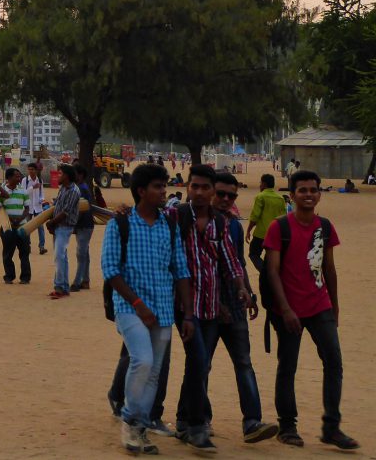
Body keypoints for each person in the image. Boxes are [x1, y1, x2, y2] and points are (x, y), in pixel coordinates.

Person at [263, 170, 359, 450]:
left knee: (334, 363)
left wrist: (335, 306)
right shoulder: (279, 227)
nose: (308, 195)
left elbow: (329, 268)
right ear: (291, 195)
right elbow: (273, 271)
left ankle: (332, 427)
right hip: (288, 310)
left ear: (319, 194)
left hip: (320, 306)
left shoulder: (325, 227)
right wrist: (285, 309)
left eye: (313, 190)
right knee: (288, 366)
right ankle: (287, 426)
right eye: (302, 190)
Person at [101, 163, 194, 454]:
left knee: (154, 371)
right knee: (141, 359)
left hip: (164, 308)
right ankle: (129, 420)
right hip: (130, 307)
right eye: (157, 186)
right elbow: (110, 270)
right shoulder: (121, 223)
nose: (163, 191)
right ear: (141, 191)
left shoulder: (169, 223)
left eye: (164, 186)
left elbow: (180, 269)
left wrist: (188, 314)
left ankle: (140, 427)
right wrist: (138, 305)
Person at [170, 165, 250, 451]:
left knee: (198, 364)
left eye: (206, 188)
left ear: (213, 191)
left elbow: (230, 260)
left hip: (212, 306)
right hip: (184, 307)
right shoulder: (175, 217)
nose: (200, 192)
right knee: (199, 360)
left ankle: (184, 421)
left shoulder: (220, 224)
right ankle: (196, 426)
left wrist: (241, 287)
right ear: (188, 187)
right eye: (195, 187)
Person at [208, 172, 279, 443]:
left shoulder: (234, 226)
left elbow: (238, 262)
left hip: (234, 303)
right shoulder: (193, 222)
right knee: (202, 365)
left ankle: (252, 422)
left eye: (231, 196)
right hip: (206, 306)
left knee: (244, 363)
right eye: (221, 193)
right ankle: (197, 419)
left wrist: (249, 291)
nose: (226, 200)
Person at [46, 164, 81, 299]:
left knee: (59, 256)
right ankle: (64, 287)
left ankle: (59, 287)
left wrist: (51, 222)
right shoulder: (63, 188)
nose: (58, 176)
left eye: (60, 174)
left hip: (64, 226)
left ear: (66, 175)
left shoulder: (73, 191)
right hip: (58, 226)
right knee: (62, 257)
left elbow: (65, 212)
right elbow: (58, 207)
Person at [247, 173, 286, 273]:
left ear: (264, 184)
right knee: (271, 258)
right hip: (276, 235)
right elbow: (284, 218)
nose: (260, 185)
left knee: (254, 254)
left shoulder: (260, 196)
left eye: (260, 183)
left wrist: (248, 230)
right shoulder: (280, 198)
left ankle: (265, 273)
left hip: (261, 234)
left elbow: (255, 216)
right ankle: (271, 273)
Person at [0, 168, 32, 284]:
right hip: (8, 228)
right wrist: (9, 219)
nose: (19, 178)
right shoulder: (1, 193)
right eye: (16, 176)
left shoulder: (23, 191)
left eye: (19, 176)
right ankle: (9, 276)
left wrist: (20, 219)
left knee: (25, 253)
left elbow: (27, 208)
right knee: (8, 254)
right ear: (9, 178)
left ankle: (25, 277)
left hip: (22, 227)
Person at [71, 164, 95, 291]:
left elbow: (82, 209)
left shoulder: (81, 189)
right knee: (84, 253)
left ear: (80, 175)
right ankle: (85, 280)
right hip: (84, 225)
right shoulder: (81, 187)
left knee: (81, 254)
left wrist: (73, 223)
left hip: (84, 225)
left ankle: (77, 281)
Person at [21, 162, 48, 255]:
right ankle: (27, 246)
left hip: (38, 207)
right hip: (28, 207)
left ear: (36, 170)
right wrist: (33, 187)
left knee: (41, 227)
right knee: (28, 227)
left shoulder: (40, 180)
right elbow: (23, 193)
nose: (30, 171)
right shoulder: (25, 180)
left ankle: (42, 246)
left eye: (32, 169)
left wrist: (42, 199)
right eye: (29, 169)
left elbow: (42, 193)